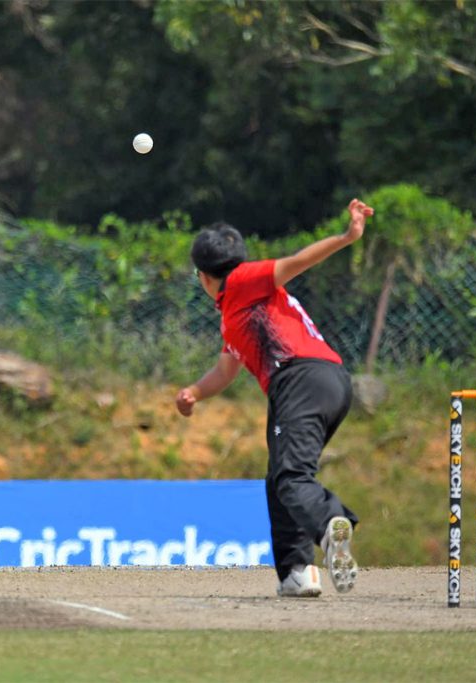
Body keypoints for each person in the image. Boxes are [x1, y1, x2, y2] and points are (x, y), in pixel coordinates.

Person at [175, 198, 374, 597]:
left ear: (203, 276)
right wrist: (194, 392)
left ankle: (331, 522)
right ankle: (297, 573)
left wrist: (347, 236)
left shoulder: (243, 280)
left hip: (299, 379)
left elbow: (296, 262)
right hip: (328, 382)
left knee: (291, 478)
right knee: (279, 479)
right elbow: (225, 370)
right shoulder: (233, 313)